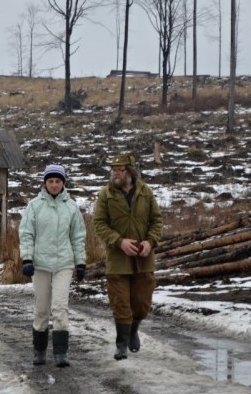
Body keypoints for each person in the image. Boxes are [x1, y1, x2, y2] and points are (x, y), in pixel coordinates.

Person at [92, 154, 164, 360]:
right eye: (114, 169)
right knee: (120, 302)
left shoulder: (145, 192)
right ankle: (121, 344)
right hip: (117, 259)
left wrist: (150, 242)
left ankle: (133, 330)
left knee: (141, 303)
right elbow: (99, 223)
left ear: (131, 171)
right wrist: (119, 241)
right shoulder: (105, 194)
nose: (116, 173)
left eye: (121, 169)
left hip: (143, 258)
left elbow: (156, 220)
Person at [19, 163, 87, 367]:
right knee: (41, 309)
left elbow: (78, 236)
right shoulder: (34, 206)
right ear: (45, 183)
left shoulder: (72, 207)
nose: (54, 185)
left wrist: (81, 262)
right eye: (51, 181)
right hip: (39, 265)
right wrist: (27, 259)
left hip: (63, 264)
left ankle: (60, 353)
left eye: (58, 181)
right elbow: (26, 234)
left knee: (60, 308)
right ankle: (39, 351)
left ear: (63, 183)